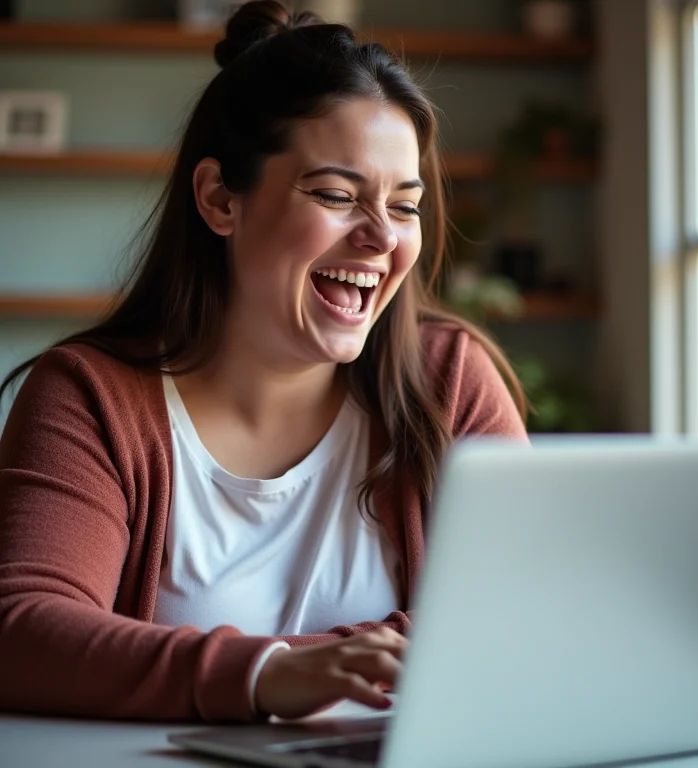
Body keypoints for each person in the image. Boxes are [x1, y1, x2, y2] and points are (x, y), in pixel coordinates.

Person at [0, 0, 527, 723]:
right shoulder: (88, 398)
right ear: (220, 198)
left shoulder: (450, 380)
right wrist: (269, 673)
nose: (381, 238)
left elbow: (519, 610)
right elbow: (22, 631)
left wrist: (321, 666)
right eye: (337, 195)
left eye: (404, 206)